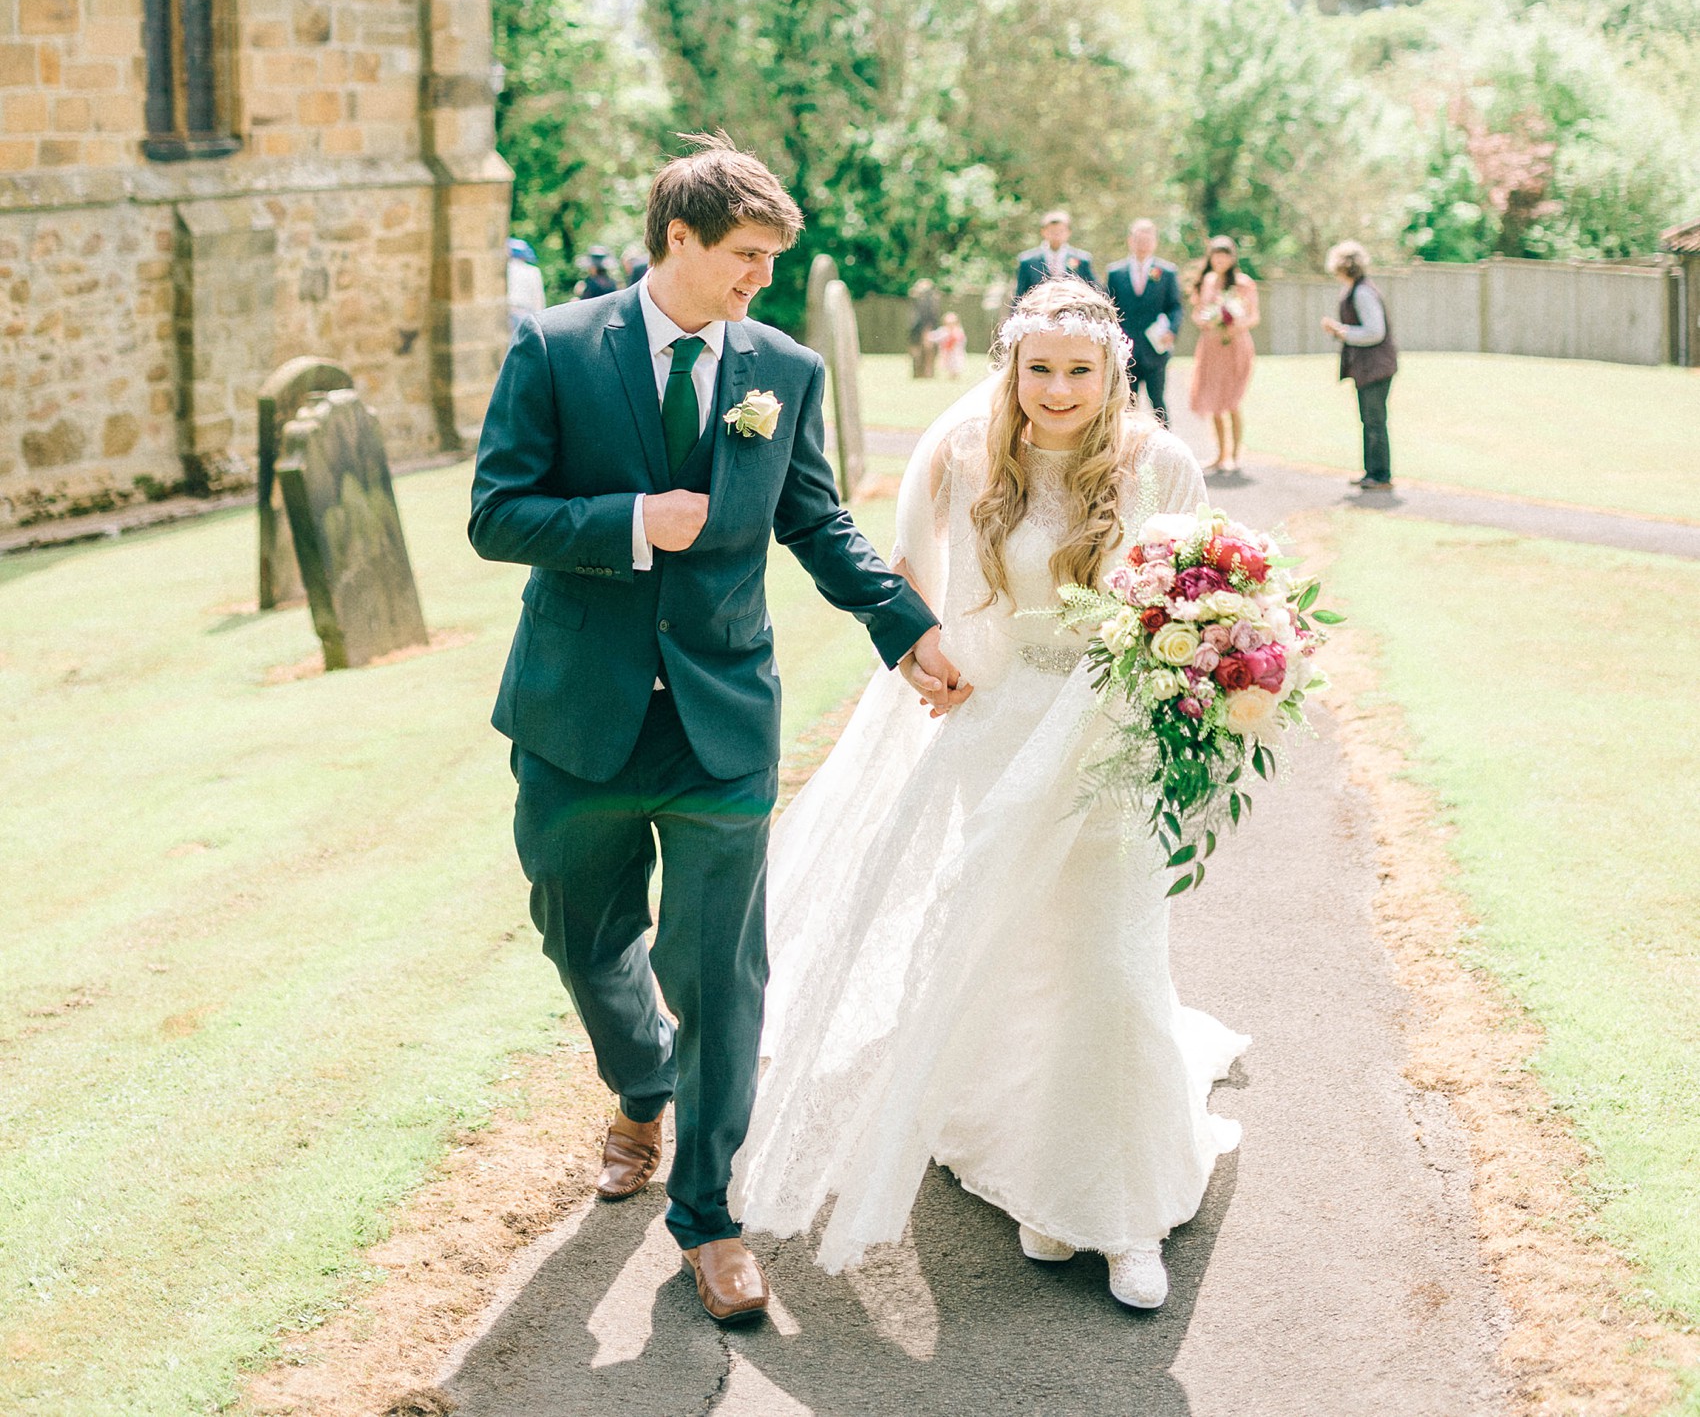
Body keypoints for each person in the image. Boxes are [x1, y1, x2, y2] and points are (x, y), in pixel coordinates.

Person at [469, 141, 963, 1327]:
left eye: (771, 263)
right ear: (678, 239)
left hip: (721, 721)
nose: (759, 283)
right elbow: (496, 513)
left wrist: (905, 629)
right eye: (745, 258)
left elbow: (815, 517)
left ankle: (708, 1213)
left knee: (721, 976)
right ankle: (640, 1089)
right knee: (583, 940)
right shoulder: (554, 347)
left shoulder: (777, 371)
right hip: (575, 719)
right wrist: (637, 519)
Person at [733, 276, 1245, 1309]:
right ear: (1011, 369)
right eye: (1039, 369)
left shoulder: (1166, 468)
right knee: (1016, 951)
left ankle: (1126, 1214)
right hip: (998, 735)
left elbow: (1208, 609)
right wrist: (930, 663)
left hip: (1111, 747)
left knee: (1108, 959)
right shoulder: (967, 457)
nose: (1057, 391)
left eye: (1079, 371)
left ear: (1113, 374)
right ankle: (1042, 1181)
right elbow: (911, 583)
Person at [1321, 241, 1398, 490]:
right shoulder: (1356, 289)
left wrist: (1342, 332)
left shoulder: (1362, 292)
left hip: (1375, 366)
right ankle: (1371, 472)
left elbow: (1375, 332)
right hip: (1367, 367)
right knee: (1369, 420)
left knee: (1375, 421)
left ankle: (1381, 475)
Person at [1187, 236, 1259, 472]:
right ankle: (1220, 455)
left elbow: (1253, 316)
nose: (1220, 260)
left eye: (1225, 255)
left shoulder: (1243, 283)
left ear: (1232, 257)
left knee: (1232, 401)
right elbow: (1198, 312)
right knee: (1215, 402)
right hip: (1211, 347)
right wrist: (1208, 321)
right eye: (1216, 255)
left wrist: (1234, 324)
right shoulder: (1207, 281)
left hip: (1235, 346)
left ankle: (1236, 456)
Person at [1105, 218, 1184, 423]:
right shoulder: (1115, 272)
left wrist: (1171, 331)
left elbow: (1175, 306)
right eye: (1139, 239)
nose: (1143, 244)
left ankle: (1166, 450)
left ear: (1155, 242)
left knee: (1157, 401)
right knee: (1126, 403)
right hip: (1126, 349)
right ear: (1130, 241)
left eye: (1148, 240)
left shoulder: (1167, 272)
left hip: (1155, 349)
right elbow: (1109, 306)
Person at [1014, 207, 1097, 299]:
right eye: (1052, 231)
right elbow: (1020, 294)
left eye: (1061, 231)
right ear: (1043, 232)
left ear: (1069, 232)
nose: (1056, 235)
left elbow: (1093, 290)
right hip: (1038, 308)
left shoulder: (1082, 259)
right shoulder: (1028, 261)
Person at [506, 236, 546, 343]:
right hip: (525, 313)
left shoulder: (505, 269)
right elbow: (538, 297)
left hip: (507, 312)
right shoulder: (532, 271)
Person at [907, 277, 943, 380]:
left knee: (926, 351)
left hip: (923, 326)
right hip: (919, 327)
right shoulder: (924, 299)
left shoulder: (928, 299)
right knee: (919, 351)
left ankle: (926, 372)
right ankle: (921, 372)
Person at [932, 309, 968, 379]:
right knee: (947, 367)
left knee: (955, 367)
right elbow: (935, 337)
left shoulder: (958, 331)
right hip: (946, 353)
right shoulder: (943, 330)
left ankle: (954, 376)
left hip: (956, 353)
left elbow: (961, 341)